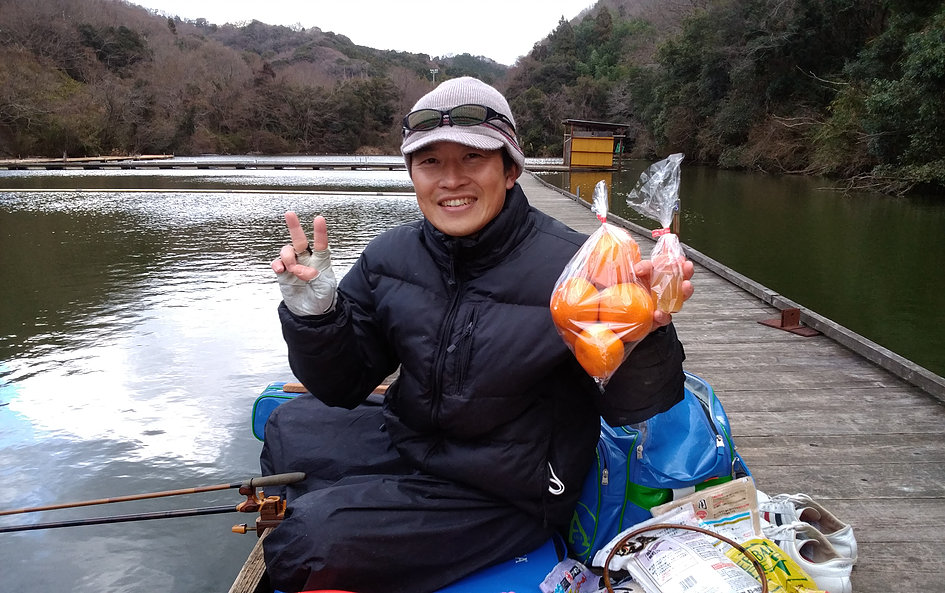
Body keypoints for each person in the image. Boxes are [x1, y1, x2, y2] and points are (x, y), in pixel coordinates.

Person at [261, 76, 694, 593]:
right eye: (431, 163)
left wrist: (645, 332)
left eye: (472, 158)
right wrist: (317, 316)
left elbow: (633, 406)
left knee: (302, 545)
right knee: (289, 427)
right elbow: (341, 386)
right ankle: (373, 506)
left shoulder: (579, 268)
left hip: (510, 488)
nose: (450, 180)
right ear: (413, 174)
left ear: (510, 170)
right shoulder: (390, 255)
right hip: (415, 439)